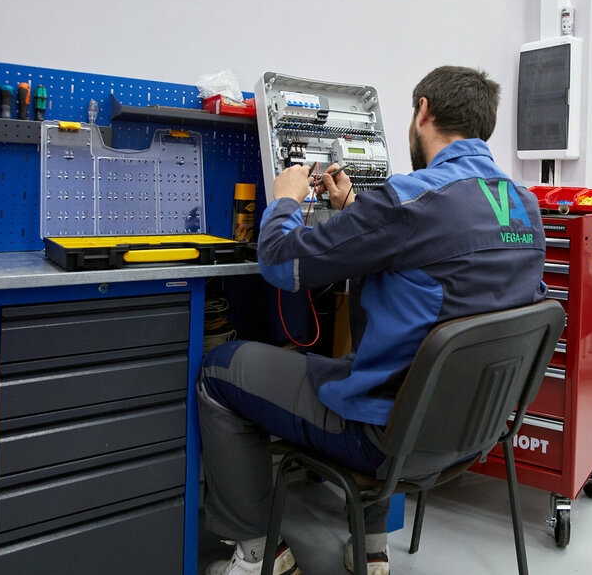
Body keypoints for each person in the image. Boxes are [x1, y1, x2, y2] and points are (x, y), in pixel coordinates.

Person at [198, 66, 547, 575]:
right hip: (476, 434)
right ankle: (372, 549)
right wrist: (354, 209)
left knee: (220, 368)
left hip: (385, 439)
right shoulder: (525, 207)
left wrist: (286, 198)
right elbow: (439, 261)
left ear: (423, 111)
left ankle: (257, 556)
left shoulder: (409, 199)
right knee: (388, 365)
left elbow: (280, 263)